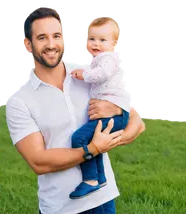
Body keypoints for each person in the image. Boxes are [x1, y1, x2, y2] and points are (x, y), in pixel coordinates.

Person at [6, 6, 145, 214]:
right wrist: (92, 149)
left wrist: (115, 109)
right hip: (60, 208)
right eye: (42, 37)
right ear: (27, 44)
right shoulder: (20, 101)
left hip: (104, 201)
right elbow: (38, 162)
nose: (51, 44)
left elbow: (137, 123)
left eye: (56, 35)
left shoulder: (88, 75)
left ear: (64, 39)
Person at [68, 15, 131, 199]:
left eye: (103, 40)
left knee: (79, 139)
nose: (96, 43)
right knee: (94, 142)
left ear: (114, 44)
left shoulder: (108, 58)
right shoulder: (98, 59)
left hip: (115, 114)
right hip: (113, 113)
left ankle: (90, 179)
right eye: (91, 39)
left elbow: (102, 74)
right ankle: (101, 177)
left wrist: (84, 74)